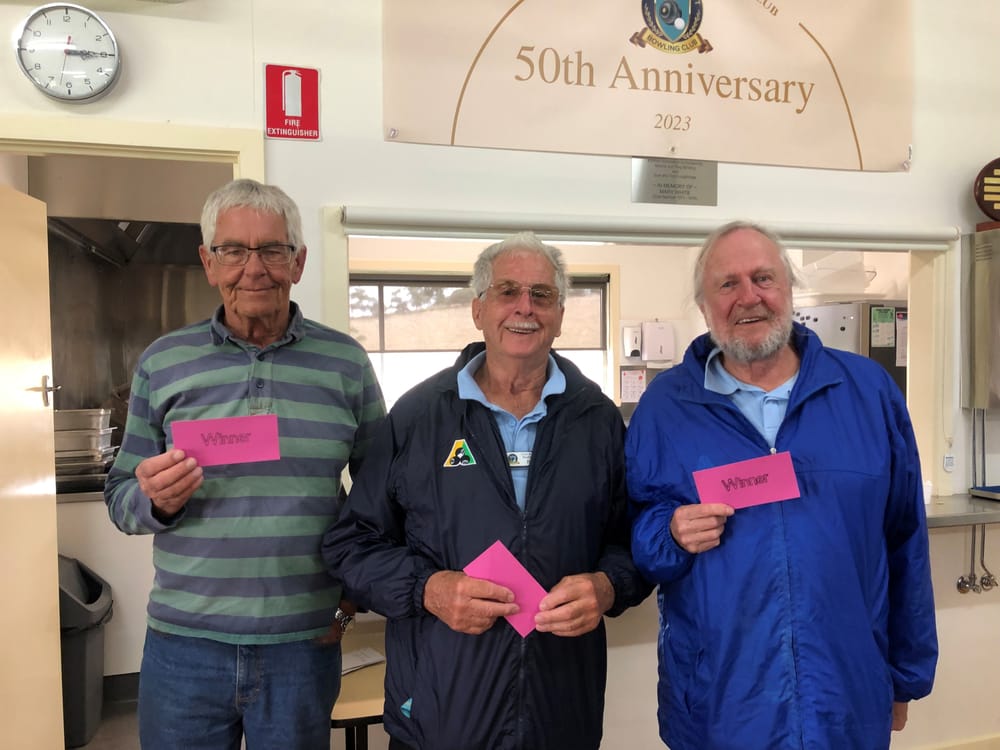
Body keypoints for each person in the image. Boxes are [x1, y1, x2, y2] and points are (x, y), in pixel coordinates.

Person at [322, 231, 652, 750]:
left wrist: (609, 586)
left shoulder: (597, 420)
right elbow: (351, 544)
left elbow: (634, 540)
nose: (525, 307)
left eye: (542, 294)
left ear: (561, 315)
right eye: (507, 291)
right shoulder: (418, 416)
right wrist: (428, 589)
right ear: (478, 309)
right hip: (440, 711)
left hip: (560, 710)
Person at [626, 220, 938, 750]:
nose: (749, 297)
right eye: (727, 284)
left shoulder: (866, 392)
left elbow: (905, 539)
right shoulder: (665, 406)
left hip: (844, 691)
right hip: (719, 701)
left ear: (788, 290)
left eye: (763, 278)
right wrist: (670, 533)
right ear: (703, 305)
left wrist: (905, 673)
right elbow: (637, 535)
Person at [104, 178, 386, 750]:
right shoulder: (164, 362)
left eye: (272, 250)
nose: (252, 267)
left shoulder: (346, 362)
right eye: (233, 250)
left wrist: (354, 591)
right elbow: (119, 498)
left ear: (298, 262)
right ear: (209, 263)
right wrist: (154, 499)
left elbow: (381, 491)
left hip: (304, 645)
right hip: (185, 646)